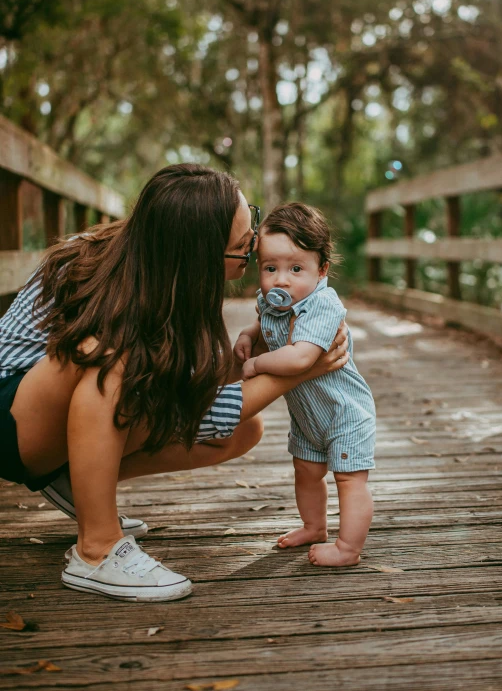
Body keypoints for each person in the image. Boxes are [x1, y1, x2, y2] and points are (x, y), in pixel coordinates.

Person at [0, 165, 350, 602]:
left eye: (251, 224)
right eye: (242, 249)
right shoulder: (105, 273)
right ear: (198, 253)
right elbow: (134, 382)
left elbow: (190, 393)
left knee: (245, 430)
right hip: (13, 417)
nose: (253, 249)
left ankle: (78, 480)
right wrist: (301, 370)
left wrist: (264, 353)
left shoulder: (171, 278)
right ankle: (97, 549)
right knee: (106, 353)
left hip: (59, 420)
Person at [234, 202, 375, 568]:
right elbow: (264, 320)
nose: (281, 280)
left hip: (345, 413)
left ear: (321, 269)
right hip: (309, 415)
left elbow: (299, 359)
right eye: (270, 268)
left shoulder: (322, 305)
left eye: (296, 268)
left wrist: (256, 363)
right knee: (306, 473)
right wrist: (250, 334)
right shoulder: (273, 300)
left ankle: (348, 548)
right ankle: (314, 527)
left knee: (349, 480)